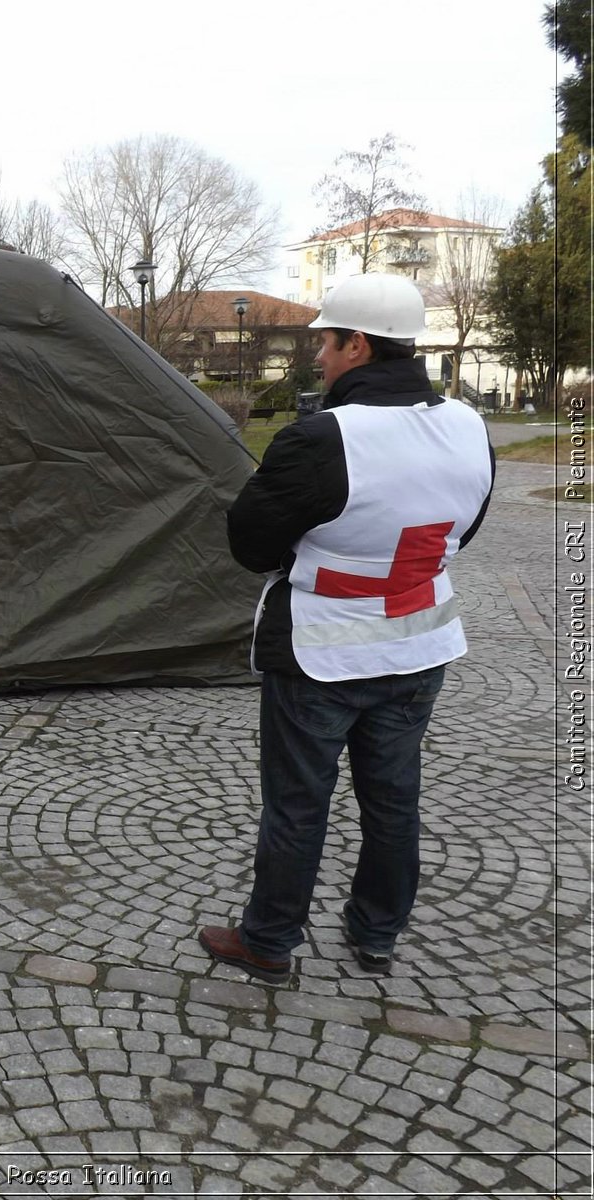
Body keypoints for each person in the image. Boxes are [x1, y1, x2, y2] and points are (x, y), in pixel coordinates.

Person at [199, 273, 494, 985]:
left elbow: (250, 542)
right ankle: (377, 933)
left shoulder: (321, 438)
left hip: (323, 651)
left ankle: (268, 942)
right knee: (394, 800)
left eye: (326, 343)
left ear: (357, 344)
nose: (320, 358)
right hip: (418, 644)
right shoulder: (467, 426)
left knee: (298, 805)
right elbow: (468, 528)